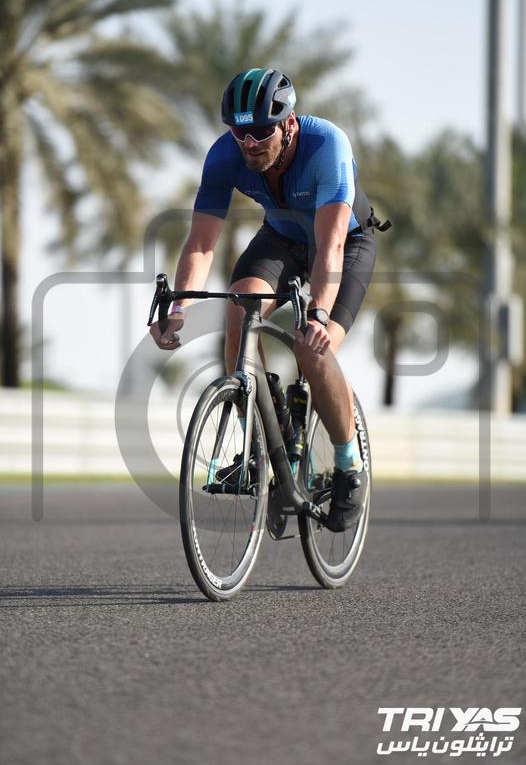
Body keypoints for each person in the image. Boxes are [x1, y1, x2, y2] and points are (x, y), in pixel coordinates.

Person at [150, 67, 389, 532]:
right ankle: (267, 440)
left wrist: (319, 314)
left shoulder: (326, 146)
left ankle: (349, 464)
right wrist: (178, 310)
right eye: (240, 133)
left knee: (312, 349)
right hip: (280, 239)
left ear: (289, 124)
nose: (250, 143)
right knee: (238, 312)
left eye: (261, 132)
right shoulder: (224, 155)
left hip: (344, 244)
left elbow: (331, 246)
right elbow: (201, 244)